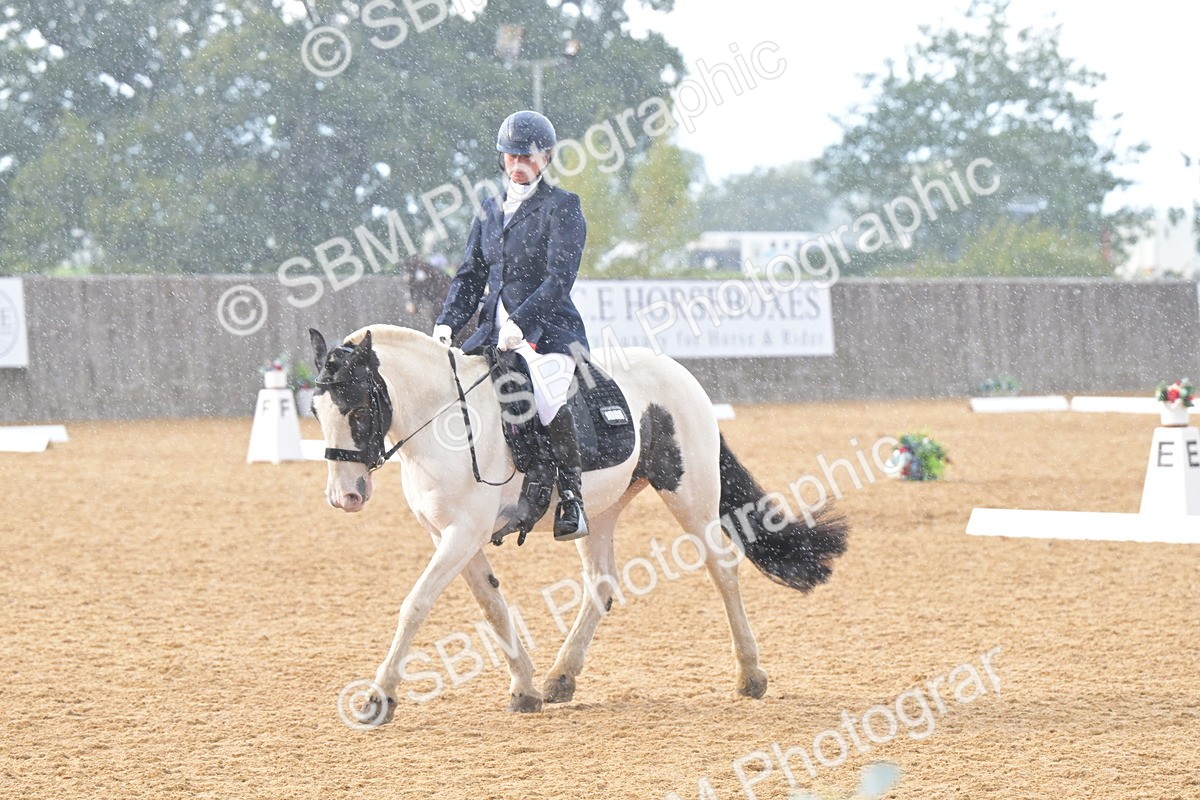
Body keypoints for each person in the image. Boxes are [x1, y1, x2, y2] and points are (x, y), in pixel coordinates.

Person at [432, 110, 590, 541]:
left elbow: (560, 279)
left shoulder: (562, 207)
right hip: (491, 331)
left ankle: (572, 498)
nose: (517, 163)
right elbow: (470, 275)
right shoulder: (488, 209)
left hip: (548, 329)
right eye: (510, 155)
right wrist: (448, 322)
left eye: (527, 156)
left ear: (546, 158)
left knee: (548, 392)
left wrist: (521, 323)